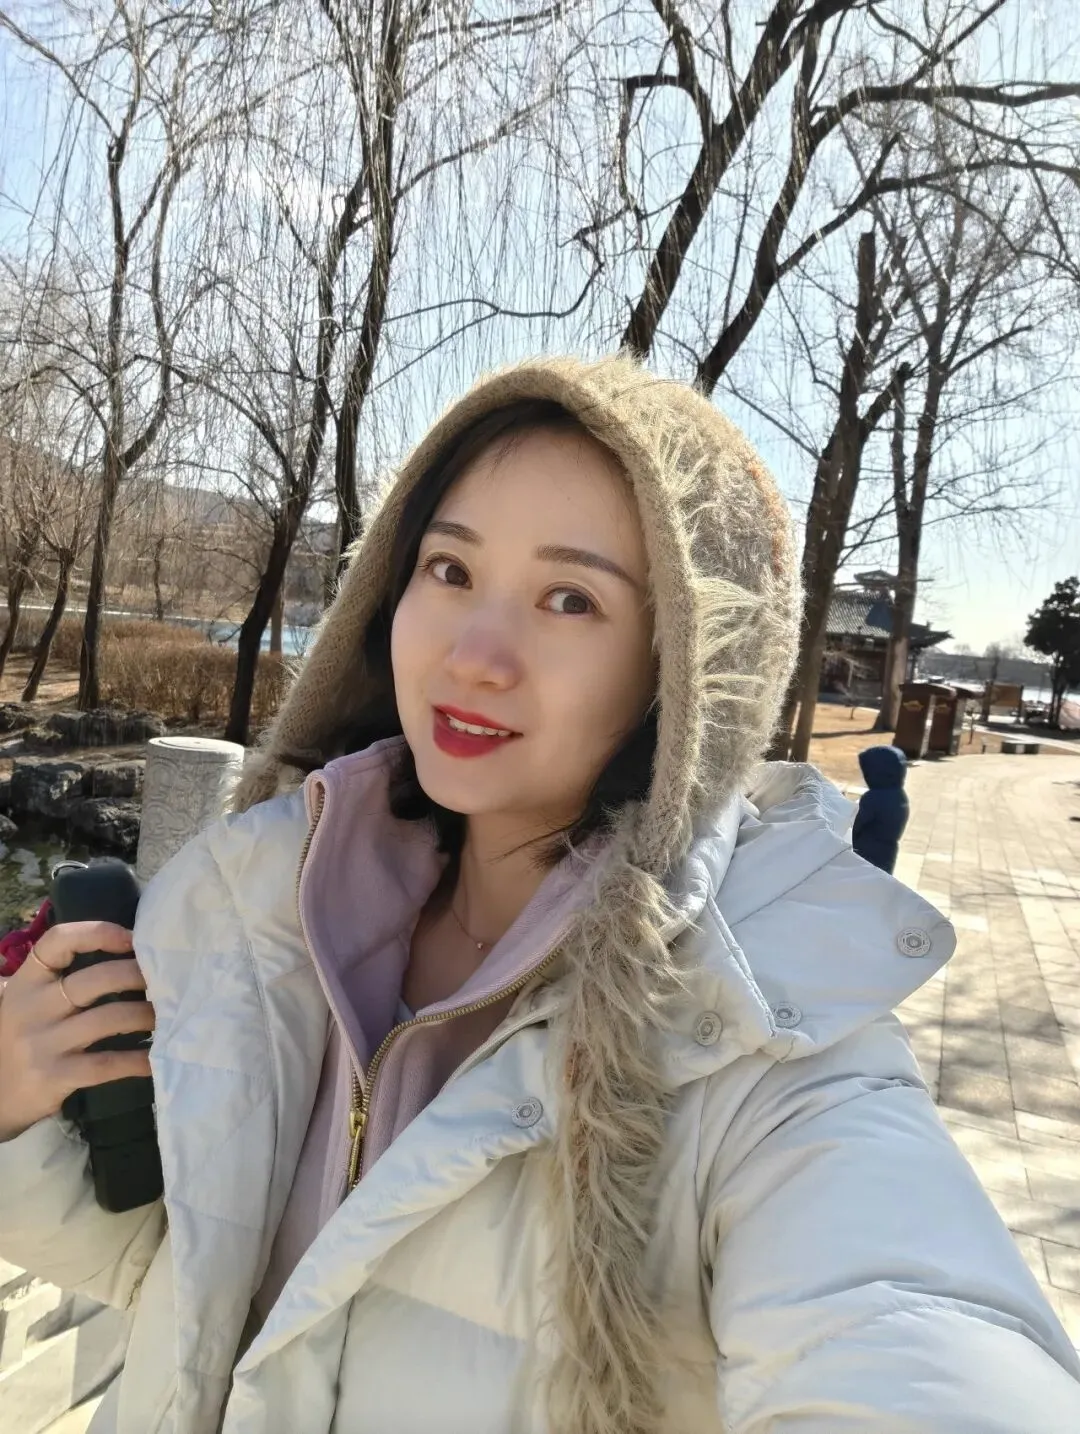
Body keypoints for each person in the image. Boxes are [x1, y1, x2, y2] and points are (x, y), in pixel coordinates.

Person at [0, 356, 1077, 1434]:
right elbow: (184, 1283)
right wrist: (16, 1110)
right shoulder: (259, 902)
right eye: (450, 569)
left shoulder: (750, 1036)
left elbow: (911, 1329)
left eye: (571, 599)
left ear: (680, 670)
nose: (475, 655)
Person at [852, 743, 911, 874]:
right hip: (887, 853)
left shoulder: (873, 798)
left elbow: (854, 824)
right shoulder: (899, 795)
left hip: (865, 855)